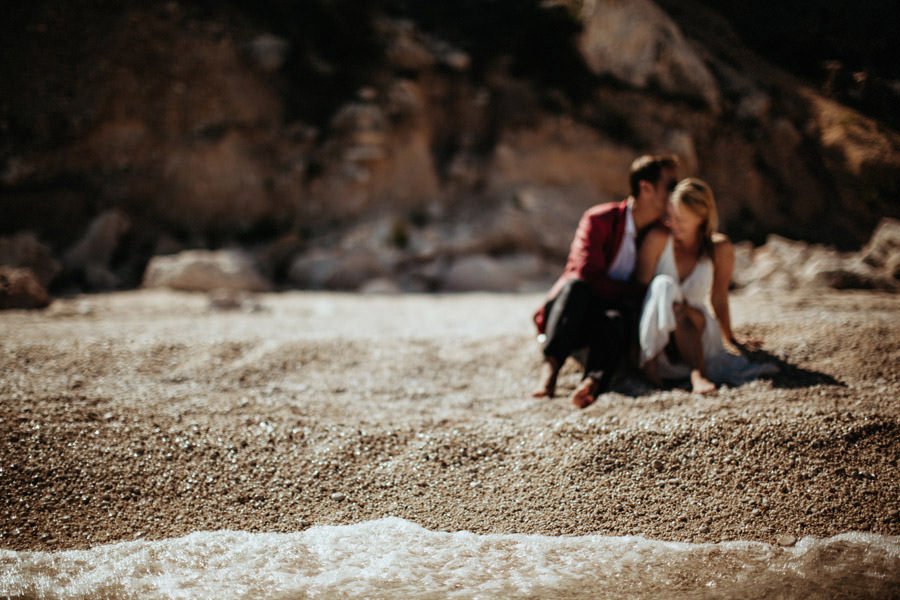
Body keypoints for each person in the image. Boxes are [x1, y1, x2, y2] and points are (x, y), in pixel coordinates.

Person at [532, 154, 679, 408]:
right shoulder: (598, 219)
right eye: (671, 186)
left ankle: (592, 383)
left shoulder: (660, 234)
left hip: (614, 318)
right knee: (577, 288)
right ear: (646, 188)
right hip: (573, 313)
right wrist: (633, 293)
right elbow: (586, 273)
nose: (675, 193)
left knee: (616, 319)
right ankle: (549, 372)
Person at [635, 178, 777, 393]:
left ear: (701, 217)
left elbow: (718, 298)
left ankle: (696, 373)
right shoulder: (658, 239)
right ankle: (650, 364)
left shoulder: (720, 248)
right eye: (669, 216)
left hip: (698, 333)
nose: (672, 224)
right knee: (663, 286)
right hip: (657, 335)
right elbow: (638, 292)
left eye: (680, 220)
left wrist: (730, 338)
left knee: (682, 308)